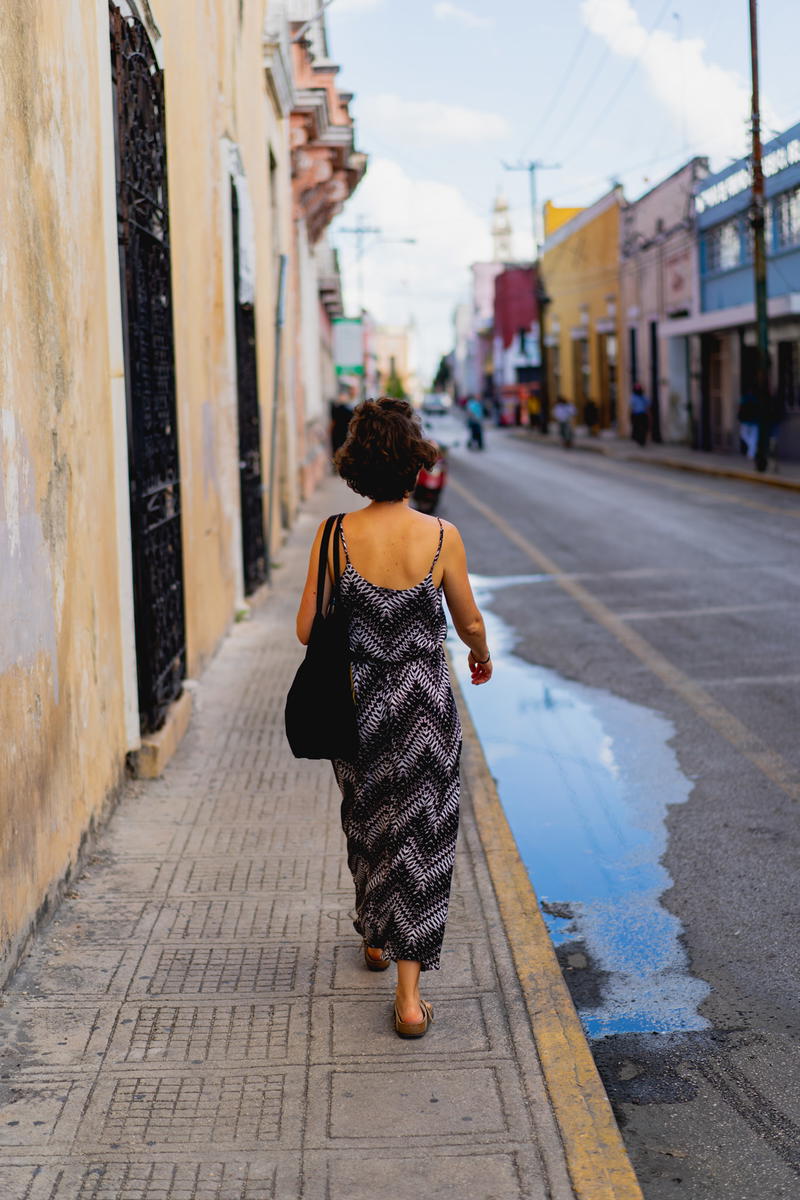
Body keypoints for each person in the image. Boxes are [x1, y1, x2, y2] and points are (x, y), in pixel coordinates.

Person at [296, 397, 493, 1039]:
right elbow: (467, 621)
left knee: (369, 822)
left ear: (356, 467)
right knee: (423, 840)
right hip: (426, 714)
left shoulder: (333, 535)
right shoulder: (440, 537)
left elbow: (306, 630)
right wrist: (480, 653)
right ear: (414, 467)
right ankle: (409, 1002)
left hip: (359, 709)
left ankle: (374, 938)